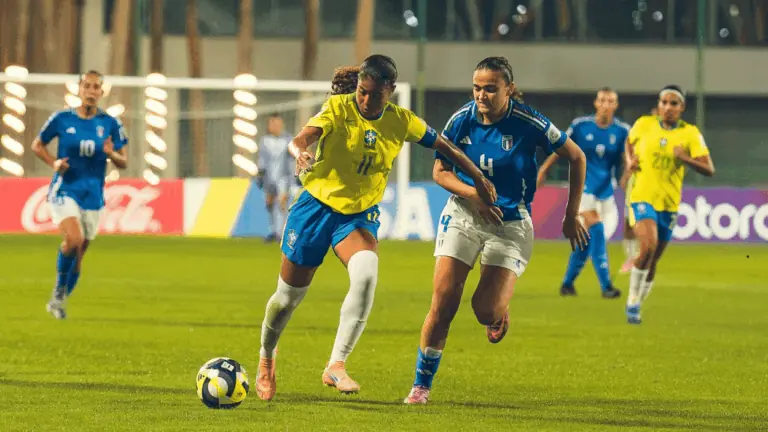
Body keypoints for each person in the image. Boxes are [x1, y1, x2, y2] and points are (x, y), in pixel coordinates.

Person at [254, 55, 497, 401]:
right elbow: (301, 139)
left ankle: (336, 364)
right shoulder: (338, 108)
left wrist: (476, 177)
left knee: (366, 273)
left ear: (390, 92)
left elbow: (445, 146)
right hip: (315, 209)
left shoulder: (402, 121)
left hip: (357, 216)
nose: (366, 101)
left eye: (375, 95)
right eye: (362, 93)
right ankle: (266, 356)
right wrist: (300, 154)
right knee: (287, 299)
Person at [403, 56, 589, 405]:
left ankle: (498, 314)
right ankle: (421, 385)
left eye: (491, 88)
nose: (482, 95)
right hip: (464, 213)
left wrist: (571, 214)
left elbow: (576, 157)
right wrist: (474, 194)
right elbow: (440, 172)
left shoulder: (529, 121)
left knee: (483, 310)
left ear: (509, 90)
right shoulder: (461, 119)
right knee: (443, 302)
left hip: (510, 223)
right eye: (477, 87)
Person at [30, 70, 129, 319]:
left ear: (101, 92)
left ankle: (60, 297)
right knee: (73, 239)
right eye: (87, 86)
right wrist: (53, 163)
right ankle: (58, 292)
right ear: (79, 89)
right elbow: (37, 145)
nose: (91, 91)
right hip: (65, 188)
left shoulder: (110, 123)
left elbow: (123, 161)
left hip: (93, 194)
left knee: (80, 253)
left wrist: (112, 153)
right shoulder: (62, 119)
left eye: (96, 87)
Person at [624, 85, 715, 324]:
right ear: (659, 105)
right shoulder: (644, 124)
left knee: (654, 259)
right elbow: (629, 142)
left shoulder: (690, 134)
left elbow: (709, 169)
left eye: (674, 104)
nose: (668, 107)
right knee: (648, 245)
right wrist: (630, 160)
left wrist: (684, 158)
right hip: (643, 196)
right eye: (664, 102)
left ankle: (638, 305)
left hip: (669, 202)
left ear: (682, 108)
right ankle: (632, 300)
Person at [537, 87, 628, 298]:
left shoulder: (622, 131)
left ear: (615, 105)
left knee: (586, 242)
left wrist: (627, 179)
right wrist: (543, 170)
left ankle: (567, 284)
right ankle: (607, 287)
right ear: (596, 103)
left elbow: (627, 160)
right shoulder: (580, 126)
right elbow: (560, 147)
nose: (606, 104)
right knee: (594, 228)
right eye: (602, 100)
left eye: (611, 101)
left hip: (606, 194)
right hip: (582, 190)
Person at [619, 106, 658, 274]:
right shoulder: (641, 135)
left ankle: (644, 258)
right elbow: (631, 157)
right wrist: (626, 175)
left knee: (649, 226)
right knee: (629, 224)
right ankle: (631, 258)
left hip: (657, 188)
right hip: (636, 185)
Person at [256, 113, 295, 243]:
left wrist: (294, 175)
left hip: (283, 177)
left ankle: (281, 233)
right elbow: (262, 159)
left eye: (277, 123)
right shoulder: (264, 140)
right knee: (270, 204)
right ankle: (272, 231)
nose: (275, 126)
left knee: (281, 204)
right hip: (269, 177)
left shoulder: (288, 140)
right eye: (272, 123)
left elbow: (291, 160)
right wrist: (260, 174)